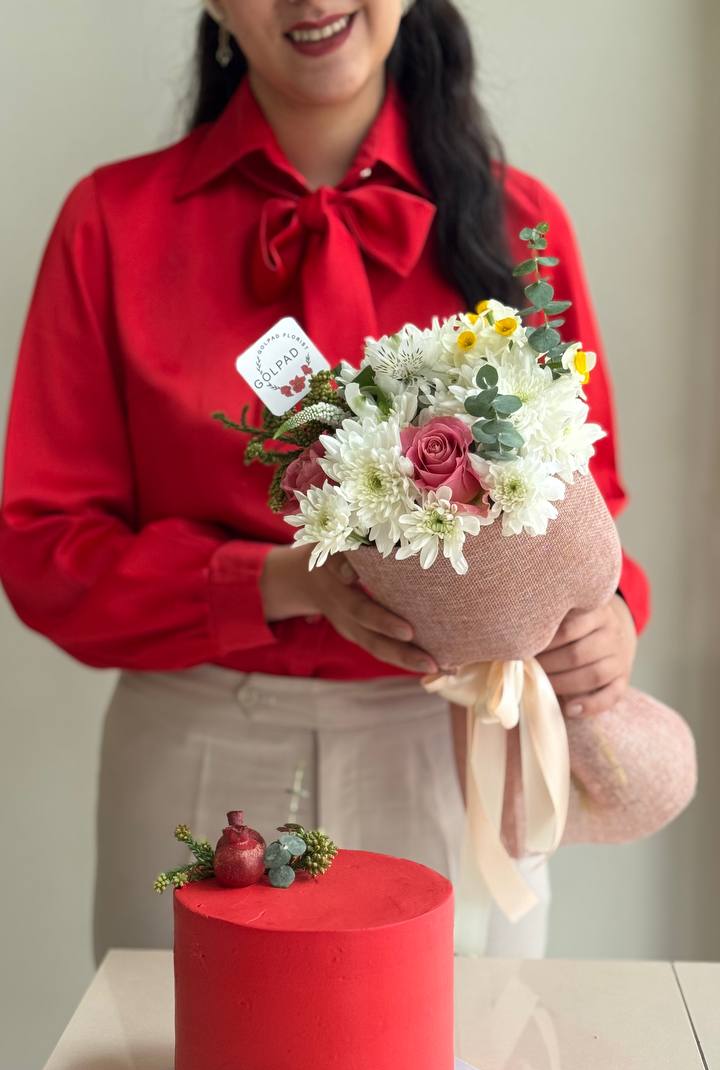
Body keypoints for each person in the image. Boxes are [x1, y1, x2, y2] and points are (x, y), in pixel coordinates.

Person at [0, 0, 648, 966]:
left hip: (457, 741)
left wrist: (609, 618)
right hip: (204, 745)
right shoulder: (112, 224)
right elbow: (45, 546)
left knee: (468, 1054)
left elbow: (591, 495)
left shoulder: (522, 224)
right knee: (195, 1057)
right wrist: (280, 581)